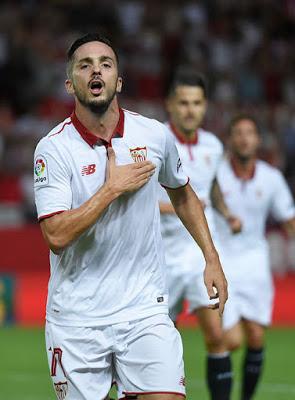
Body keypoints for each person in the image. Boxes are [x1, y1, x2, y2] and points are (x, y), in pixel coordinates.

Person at [33, 33, 228, 400]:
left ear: (118, 81)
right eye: (84, 64)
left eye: (106, 64)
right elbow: (56, 236)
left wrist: (211, 257)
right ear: (69, 83)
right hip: (77, 318)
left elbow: (183, 192)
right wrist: (110, 190)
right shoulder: (53, 150)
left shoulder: (153, 136)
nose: (96, 70)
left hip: (144, 309)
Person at [158, 70, 241, 400]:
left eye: (196, 103)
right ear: (170, 105)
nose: (190, 110)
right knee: (159, 343)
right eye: (183, 103)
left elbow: (213, 188)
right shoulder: (154, 141)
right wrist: (181, 206)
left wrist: (225, 211)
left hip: (199, 255)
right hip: (159, 256)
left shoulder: (214, 146)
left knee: (218, 338)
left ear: (205, 106)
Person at [215, 114, 295, 400]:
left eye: (249, 133)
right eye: (238, 133)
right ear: (230, 139)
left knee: (257, 337)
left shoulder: (271, 178)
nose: (244, 138)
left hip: (256, 264)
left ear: (258, 140)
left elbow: (289, 218)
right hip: (222, 264)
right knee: (230, 340)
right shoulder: (216, 174)